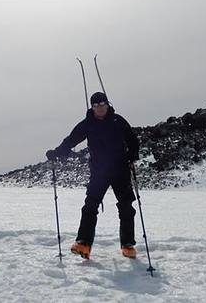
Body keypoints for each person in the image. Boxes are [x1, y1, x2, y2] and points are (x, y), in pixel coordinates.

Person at [46, 91, 140, 260]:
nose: (99, 108)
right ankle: (84, 243)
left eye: (102, 104)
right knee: (90, 206)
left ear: (107, 104)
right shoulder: (87, 124)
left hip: (120, 171)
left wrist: (132, 156)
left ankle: (127, 245)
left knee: (126, 207)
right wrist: (56, 153)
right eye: (95, 106)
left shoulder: (118, 121)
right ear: (92, 107)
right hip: (99, 172)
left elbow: (133, 140)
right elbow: (71, 141)